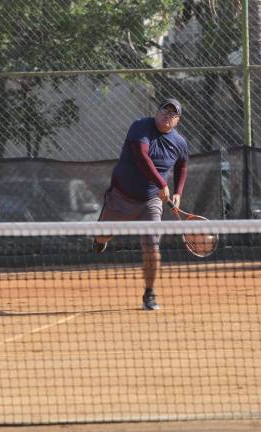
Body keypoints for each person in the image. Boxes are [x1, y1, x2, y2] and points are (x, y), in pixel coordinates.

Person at [93, 98, 189, 311]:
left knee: (152, 248)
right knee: (102, 236)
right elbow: (140, 156)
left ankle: (149, 293)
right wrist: (162, 183)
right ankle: (100, 239)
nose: (167, 115)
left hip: (150, 202)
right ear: (157, 112)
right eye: (165, 110)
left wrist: (178, 193)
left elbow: (182, 165)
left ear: (177, 121)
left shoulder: (180, 143)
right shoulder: (140, 126)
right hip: (120, 196)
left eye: (173, 114)